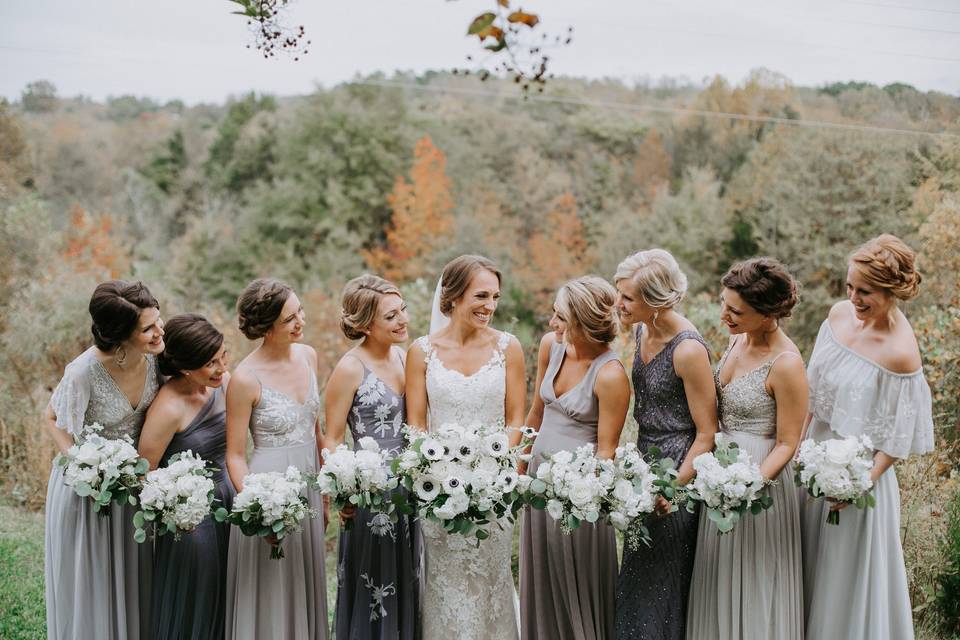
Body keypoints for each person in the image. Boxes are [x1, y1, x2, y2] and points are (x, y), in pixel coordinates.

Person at [801, 235, 934, 640]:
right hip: (811, 469)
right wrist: (799, 449)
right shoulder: (838, 316)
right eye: (849, 287)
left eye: (865, 292)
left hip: (858, 485)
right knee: (806, 568)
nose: (853, 298)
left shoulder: (900, 353)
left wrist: (856, 483)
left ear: (892, 292)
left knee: (842, 582)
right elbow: (813, 391)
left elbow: (895, 439)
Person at [405, 255, 526, 640]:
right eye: (481, 295)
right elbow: (417, 425)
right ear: (453, 296)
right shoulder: (420, 351)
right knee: (446, 586)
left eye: (494, 296)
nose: (490, 306)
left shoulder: (509, 348)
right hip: (440, 492)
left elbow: (515, 421)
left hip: (493, 494)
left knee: (492, 582)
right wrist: (439, 476)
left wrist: (492, 473)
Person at [686, 257, 808, 640]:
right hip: (721, 475)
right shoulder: (737, 339)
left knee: (756, 577)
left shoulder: (786, 364)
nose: (725, 315)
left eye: (736, 311)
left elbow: (789, 442)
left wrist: (748, 487)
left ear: (767, 313)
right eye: (724, 304)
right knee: (718, 572)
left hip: (760, 485)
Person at [44, 280, 165, 640]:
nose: (160, 331)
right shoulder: (82, 372)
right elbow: (52, 419)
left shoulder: (158, 359)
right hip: (90, 492)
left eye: (159, 320)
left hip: (135, 488)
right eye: (148, 328)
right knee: (96, 582)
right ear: (122, 335)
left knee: (135, 579)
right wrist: (86, 465)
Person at [612, 249, 718, 640]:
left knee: (664, 582)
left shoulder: (688, 350)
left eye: (627, 298)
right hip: (643, 465)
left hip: (677, 474)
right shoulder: (643, 329)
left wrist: (671, 488)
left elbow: (707, 433)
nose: (618, 303)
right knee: (637, 577)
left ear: (655, 303)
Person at [519, 276, 630, 640]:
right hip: (538, 486)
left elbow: (606, 451)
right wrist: (518, 470)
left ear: (583, 321)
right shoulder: (552, 346)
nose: (552, 325)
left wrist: (580, 496)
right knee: (542, 576)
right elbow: (535, 413)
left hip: (578, 498)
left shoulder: (611, 375)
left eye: (561, 317)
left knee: (575, 581)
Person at [224, 278, 328, 640]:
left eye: (300, 311)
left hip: (310, 482)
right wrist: (258, 506)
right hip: (270, 489)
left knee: (305, 576)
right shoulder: (245, 379)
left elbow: (315, 428)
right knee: (272, 584)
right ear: (266, 328)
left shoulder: (309, 355)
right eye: (289, 319)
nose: (301, 320)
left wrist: (327, 487)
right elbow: (235, 456)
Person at [324, 274, 420, 639]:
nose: (403, 321)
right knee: (373, 586)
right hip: (370, 498)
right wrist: (345, 494)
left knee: (406, 579)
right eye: (391, 316)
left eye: (403, 311)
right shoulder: (350, 368)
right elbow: (332, 440)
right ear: (364, 324)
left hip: (410, 492)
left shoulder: (403, 357)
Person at [138, 313, 235, 640]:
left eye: (224, 355)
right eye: (212, 363)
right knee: (198, 597)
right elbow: (144, 474)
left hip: (229, 501)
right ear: (185, 368)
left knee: (229, 595)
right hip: (191, 520)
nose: (222, 368)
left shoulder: (223, 385)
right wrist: (178, 511)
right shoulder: (168, 408)